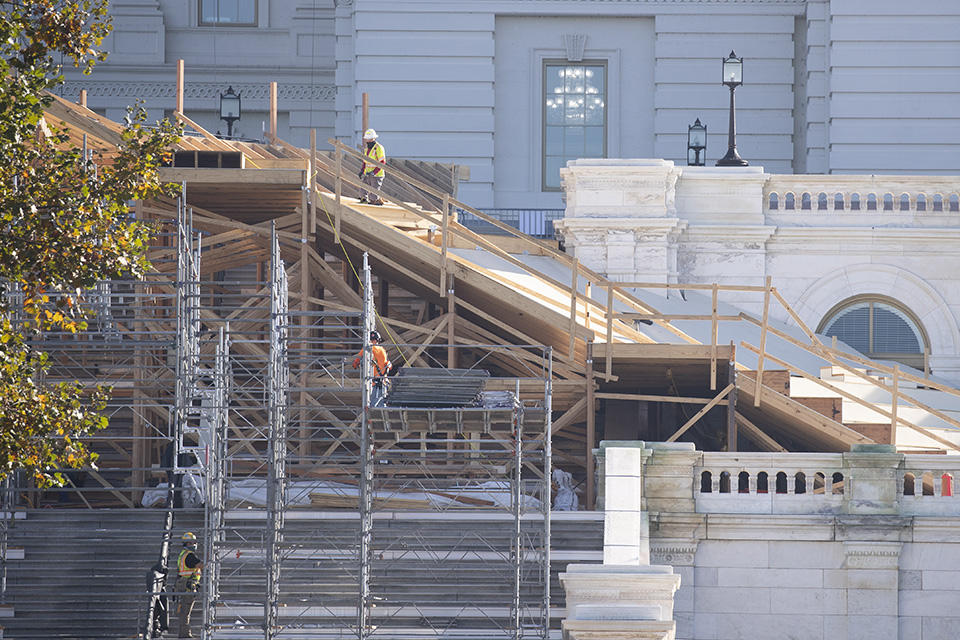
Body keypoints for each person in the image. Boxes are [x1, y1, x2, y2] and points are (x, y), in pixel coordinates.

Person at [352, 330, 392, 406]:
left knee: (372, 406)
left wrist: (356, 364)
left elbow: (356, 361)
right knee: (381, 404)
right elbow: (388, 365)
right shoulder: (382, 350)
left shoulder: (367, 348)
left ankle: (371, 416)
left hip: (375, 382)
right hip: (383, 381)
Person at [176, 532, 203, 638]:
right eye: (193, 542)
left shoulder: (183, 554)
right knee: (185, 612)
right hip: (188, 587)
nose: (195, 544)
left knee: (184, 611)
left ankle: (183, 633)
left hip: (184, 585)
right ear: (187, 544)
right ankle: (185, 634)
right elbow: (201, 566)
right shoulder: (190, 555)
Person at [358, 128, 386, 205]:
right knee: (363, 188)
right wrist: (362, 170)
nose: (369, 141)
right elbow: (365, 162)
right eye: (367, 140)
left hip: (377, 174)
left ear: (374, 138)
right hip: (368, 173)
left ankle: (375, 201)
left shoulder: (378, 148)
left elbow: (382, 162)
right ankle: (363, 199)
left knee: (374, 191)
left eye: (370, 139)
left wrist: (374, 172)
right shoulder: (366, 149)